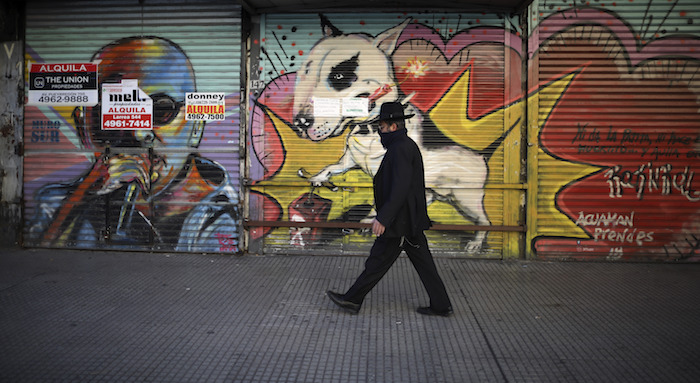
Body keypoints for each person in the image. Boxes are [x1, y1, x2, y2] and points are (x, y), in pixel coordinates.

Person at [28, 36, 239, 252]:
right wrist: (84, 197)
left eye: (160, 110)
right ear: (83, 128)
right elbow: (36, 256)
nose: (138, 133)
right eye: (111, 111)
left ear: (196, 127)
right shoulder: (56, 204)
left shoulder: (226, 213)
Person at [326, 101, 453, 316]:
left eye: (382, 127)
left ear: (393, 126)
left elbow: (400, 187)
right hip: (407, 221)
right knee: (421, 263)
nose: (380, 132)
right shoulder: (402, 146)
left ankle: (353, 300)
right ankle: (441, 305)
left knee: (378, 261)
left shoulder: (401, 148)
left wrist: (383, 218)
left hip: (400, 222)